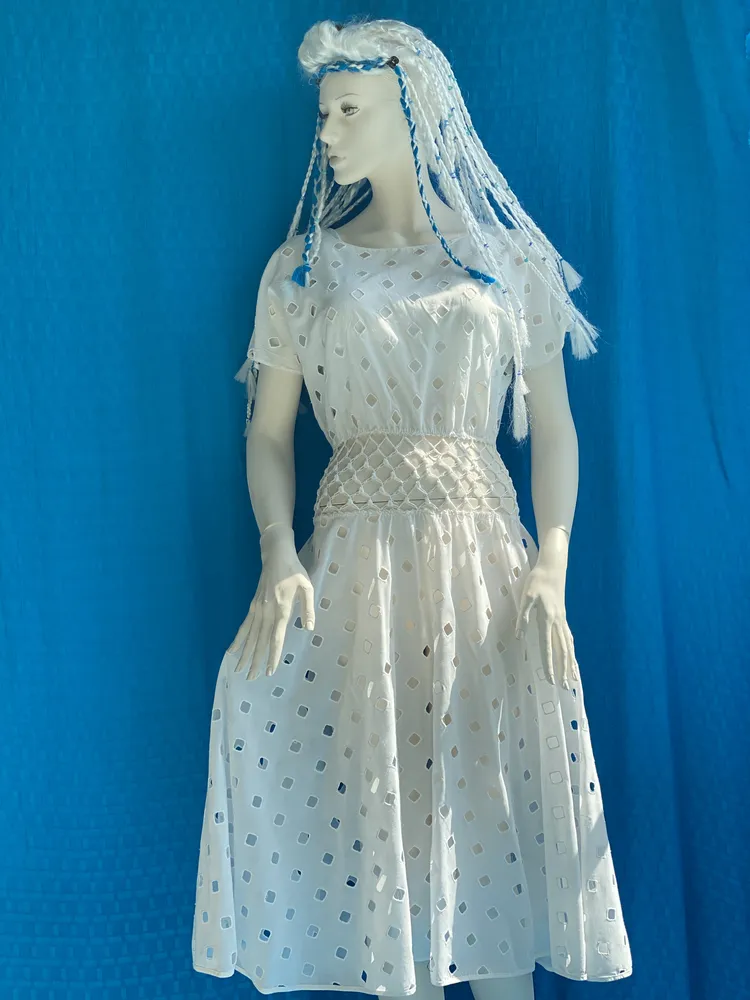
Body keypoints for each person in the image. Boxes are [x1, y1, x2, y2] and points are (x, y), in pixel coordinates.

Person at [192, 17, 633, 998]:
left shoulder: (508, 264)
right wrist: (277, 550)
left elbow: (554, 428)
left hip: (486, 578)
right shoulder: (302, 271)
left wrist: (552, 565)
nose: (327, 132)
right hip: (356, 581)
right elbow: (268, 434)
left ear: (409, 110)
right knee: (385, 835)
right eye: (323, 114)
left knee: (488, 821)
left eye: (348, 110)